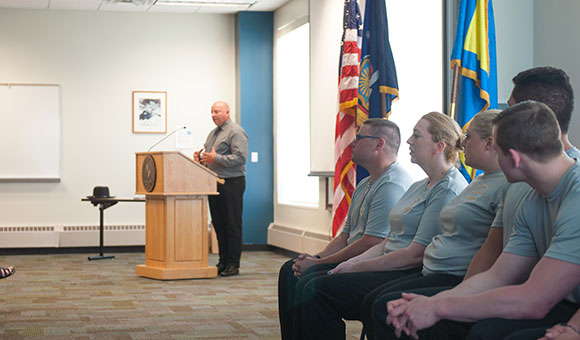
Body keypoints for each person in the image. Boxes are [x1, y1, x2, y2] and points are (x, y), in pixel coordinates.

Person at [384, 101, 580, 340]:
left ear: (514, 159)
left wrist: (437, 308)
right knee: (483, 331)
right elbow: (498, 276)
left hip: (560, 306)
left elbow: (534, 300)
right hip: (561, 304)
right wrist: (433, 302)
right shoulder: (528, 195)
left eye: (496, 149)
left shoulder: (576, 194)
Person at [298, 112, 469, 340]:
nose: (408, 141)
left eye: (416, 136)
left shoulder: (447, 189)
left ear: (439, 146)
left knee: (318, 290)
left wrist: (356, 267)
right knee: (311, 283)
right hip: (391, 261)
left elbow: (415, 255)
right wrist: (352, 262)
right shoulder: (420, 185)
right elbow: (388, 241)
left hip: (406, 267)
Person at [277, 118, 413, 340]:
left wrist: (318, 264)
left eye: (359, 138)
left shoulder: (391, 185)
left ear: (379, 144)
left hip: (372, 263)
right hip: (355, 256)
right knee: (290, 270)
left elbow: (372, 242)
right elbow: (346, 236)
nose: (352, 143)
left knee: (311, 284)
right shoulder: (365, 183)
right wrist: (317, 256)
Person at [194, 101, 248, 277]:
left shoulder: (236, 131)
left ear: (227, 112)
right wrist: (200, 159)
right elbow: (210, 158)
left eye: (217, 111)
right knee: (219, 224)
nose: (213, 115)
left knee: (232, 224)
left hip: (232, 183)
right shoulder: (213, 134)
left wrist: (216, 158)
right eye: (211, 112)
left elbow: (240, 158)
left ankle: (234, 264)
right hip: (215, 183)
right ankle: (223, 261)